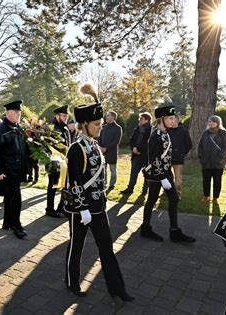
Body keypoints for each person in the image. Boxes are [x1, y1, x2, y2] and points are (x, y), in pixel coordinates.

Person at [62, 82, 134, 301]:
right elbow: (74, 181)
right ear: (84, 124)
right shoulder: (77, 148)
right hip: (81, 208)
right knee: (77, 245)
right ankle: (71, 281)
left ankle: (117, 289)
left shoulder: (93, 144)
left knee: (106, 247)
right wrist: (82, 207)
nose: (100, 127)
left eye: (101, 123)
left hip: (98, 207)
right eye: (96, 124)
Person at [141, 105, 196, 243]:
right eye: (170, 118)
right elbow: (154, 159)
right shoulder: (155, 136)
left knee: (174, 199)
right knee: (152, 200)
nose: (173, 121)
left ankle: (174, 231)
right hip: (157, 176)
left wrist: (167, 175)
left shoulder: (165, 133)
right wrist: (162, 178)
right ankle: (146, 229)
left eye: (173, 118)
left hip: (166, 174)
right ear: (161, 119)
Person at [0, 100, 29, 239]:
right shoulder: (1, 130)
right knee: (15, 199)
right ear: (8, 113)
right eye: (16, 112)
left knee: (10, 198)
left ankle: (7, 223)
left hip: (18, 169)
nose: (19, 114)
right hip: (8, 171)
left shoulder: (18, 128)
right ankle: (16, 225)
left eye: (19, 112)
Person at [45, 105, 71, 218]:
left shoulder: (65, 128)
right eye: (64, 115)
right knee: (53, 186)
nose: (66, 117)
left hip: (65, 161)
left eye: (67, 115)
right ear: (57, 115)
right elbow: (46, 146)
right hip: (54, 161)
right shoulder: (51, 128)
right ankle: (49, 209)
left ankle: (62, 208)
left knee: (65, 185)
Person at [198, 115, 226, 203]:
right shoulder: (205, 133)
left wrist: (220, 157)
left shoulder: (224, 133)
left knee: (217, 181)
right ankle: (206, 197)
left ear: (218, 123)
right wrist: (201, 157)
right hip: (206, 162)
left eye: (213, 121)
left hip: (218, 162)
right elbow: (200, 146)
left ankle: (215, 198)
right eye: (209, 121)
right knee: (206, 181)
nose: (211, 123)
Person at [121, 112, 152, 195]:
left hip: (146, 156)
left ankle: (145, 190)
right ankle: (130, 188)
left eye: (141, 119)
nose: (139, 120)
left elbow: (149, 143)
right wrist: (133, 148)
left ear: (147, 119)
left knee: (147, 174)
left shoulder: (151, 130)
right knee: (133, 172)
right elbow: (132, 139)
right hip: (136, 156)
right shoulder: (137, 128)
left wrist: (140, 150)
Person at [168, 115, 193, 198]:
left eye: (172, 119)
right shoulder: (167, 130)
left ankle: (177, 193)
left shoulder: (184, 131)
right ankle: (166, 192)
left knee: (178, 177)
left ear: (177, 120)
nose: (171, 120)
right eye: (170, 119)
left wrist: (182, 153)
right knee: (166, 176)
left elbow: (189, 144)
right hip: (167, 157)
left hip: (179, 157)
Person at [98, 111, 122, 190]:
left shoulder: (118, 128)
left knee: (113, 170)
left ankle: (112, 184)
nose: (106, 117)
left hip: (112, 152)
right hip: (102, 151)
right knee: (103, 169)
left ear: (113, 117)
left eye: (108, 116)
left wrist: (106, 148)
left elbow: (116, 141)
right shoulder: (103, 127)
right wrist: (100, 147)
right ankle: (104, 183)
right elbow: (99, 138)